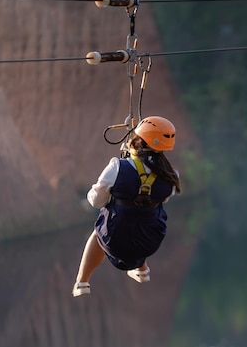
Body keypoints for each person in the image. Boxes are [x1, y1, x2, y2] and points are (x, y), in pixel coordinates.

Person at [72, 116, 181, 297]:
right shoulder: (171, 176)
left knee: (101, 227)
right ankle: (142, 269)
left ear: (138, 141)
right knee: (147, 215)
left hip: (116, 240)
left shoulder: (117, 167)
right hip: (150, 241)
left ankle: (82, 281)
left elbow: (95, 201)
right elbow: (163, 197)